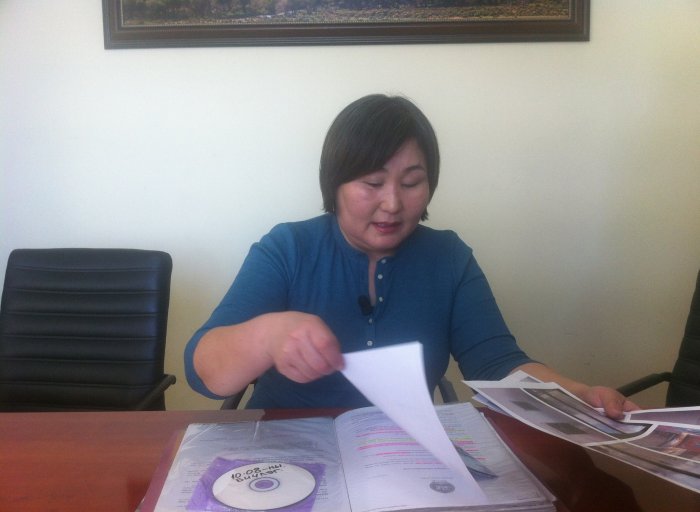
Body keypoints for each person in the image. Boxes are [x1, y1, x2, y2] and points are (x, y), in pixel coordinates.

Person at [185, 94, 638, 418]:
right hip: (288, 453)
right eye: (372, 182)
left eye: (411, 182)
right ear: (334, 183)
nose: (393, 203)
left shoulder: (449, 257)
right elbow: (202, 372)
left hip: (402, 454)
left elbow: (498, 363)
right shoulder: (288, 248)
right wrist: (266, 336)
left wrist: (576, 392)